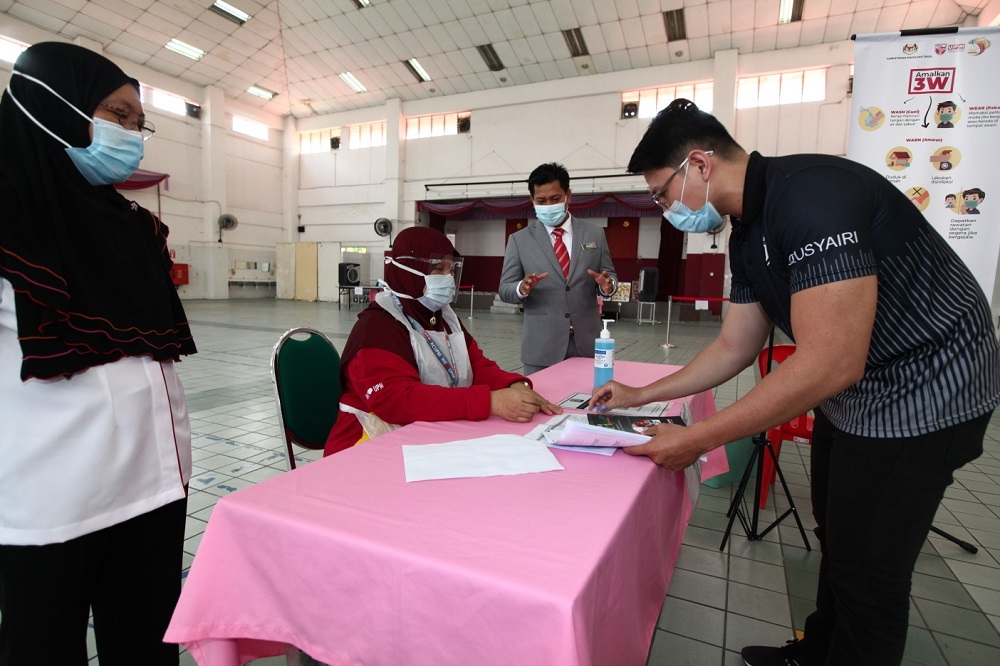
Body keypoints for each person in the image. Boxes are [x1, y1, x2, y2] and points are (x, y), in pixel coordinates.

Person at [589, 99, 1000, 666]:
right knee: (837, 533)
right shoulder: (746, 231)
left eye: (663, 193)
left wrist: (698, 438)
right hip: (860, 393)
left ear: (701, 166)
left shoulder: (812, 197)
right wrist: (643, 394)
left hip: (927, 387)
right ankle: (817, 652)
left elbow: (831, 362)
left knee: (870, 573)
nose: (664, 209)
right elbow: (737, 342)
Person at [0, 43, 197, 665]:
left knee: (146, 645)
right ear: (51, 106)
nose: (132, 136)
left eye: (139, 123)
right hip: (50, 502)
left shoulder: (133, 228)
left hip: (153, 489)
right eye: (117, 114)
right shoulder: (10, 217)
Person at [325, 226, 561, 455]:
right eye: (438, 269)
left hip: (422, 435)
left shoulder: (443, 317)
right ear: (408, 271)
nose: (447, 278)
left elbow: (476, 365)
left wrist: (512, 385)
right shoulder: (377, 326)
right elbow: (397, 399)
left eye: (450, 270)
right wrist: (489, 402)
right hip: (366, 444)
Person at [498, 163, 618, 375]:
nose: (549, 205)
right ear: (532, 201)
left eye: (555, 199)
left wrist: (608, 286)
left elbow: (610, 277)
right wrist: (522, 288)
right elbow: (505, 289)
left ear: (568, 196)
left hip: (587, 346)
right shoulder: (519, 240)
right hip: (541, 349)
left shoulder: (594, 234)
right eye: (541, 201)